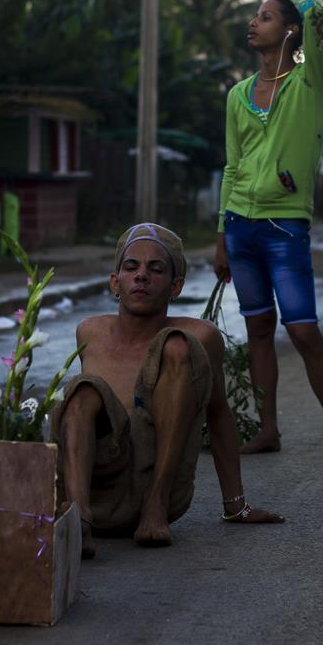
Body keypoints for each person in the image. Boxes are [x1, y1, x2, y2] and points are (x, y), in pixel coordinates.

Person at [55, 224, 282, 559]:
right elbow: (81, 426)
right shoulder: (90, 331)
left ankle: (154, 504)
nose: (142, 276)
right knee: (83, 390)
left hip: (158, 498)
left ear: (175, 286)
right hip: (99, 497)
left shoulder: (201, 336)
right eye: (131, 267)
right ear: (115, 282)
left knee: (177, 346)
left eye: (156, 269)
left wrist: (236, 506)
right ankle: (78, 522)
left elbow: (219, 415)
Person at [214, 0, 323, 462]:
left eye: (264, 17)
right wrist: (222, 234)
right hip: (241, 227)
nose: (252, 23)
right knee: (258, 329)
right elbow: (232, 165)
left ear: (288, 32)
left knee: (303, 330)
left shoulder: (310, 83)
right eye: (254, 16)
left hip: (285, 228)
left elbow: (316, 16)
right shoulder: (238, 96)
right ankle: (268, 430)